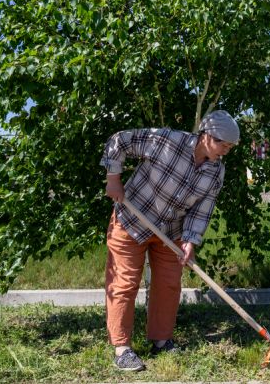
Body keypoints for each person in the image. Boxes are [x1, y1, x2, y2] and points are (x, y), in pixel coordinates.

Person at [100, 110, 239, 371]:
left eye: (230, 147)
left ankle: (161, 340)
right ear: (208, 136)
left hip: (170, 230)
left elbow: (203, 208)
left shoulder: (216, 171)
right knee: (124, 283)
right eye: (224, 145)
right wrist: (113, 179)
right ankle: (122, 348)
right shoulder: (166, 141)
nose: (226, 151)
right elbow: (119, 141)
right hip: (131, 219)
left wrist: (189, 241)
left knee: (168, 284)